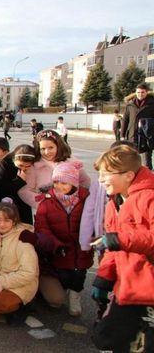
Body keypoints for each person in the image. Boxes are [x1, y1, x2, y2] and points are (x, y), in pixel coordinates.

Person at [91, 145, 154, 352]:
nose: (100, 180)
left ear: (128, 175)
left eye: (105, 174)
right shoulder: (114, 202)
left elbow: (118, 240)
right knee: (105, 337)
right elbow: (111, 246)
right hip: (128, 286)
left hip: (149, 288)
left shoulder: (149, 198)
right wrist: (104, 278)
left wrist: (119, 239)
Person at [33, 162, 91, 317]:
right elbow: (42, 227)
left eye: (64, 182)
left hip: (80, 247)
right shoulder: (47, 202)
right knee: (64, 275)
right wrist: (56, 244)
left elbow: (93, 220)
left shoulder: (86, 199)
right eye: (56, 182)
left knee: (79, 274)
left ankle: (75, 295)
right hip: (59, 248)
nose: (59, 186)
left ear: (73, 183)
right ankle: (61, 289)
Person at [0, 200, 39, 326]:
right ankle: (5, 308)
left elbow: (29, 272)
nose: (2, 224)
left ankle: (23, 305)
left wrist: (1, 282)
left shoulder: (24, 237)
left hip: (20, 284)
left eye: (7, 220)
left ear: (14, 220)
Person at [19, 129, 91, 212]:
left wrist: (77, 200)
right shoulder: (34, 167)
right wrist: (43, 204)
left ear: (58, 146)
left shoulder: (71, 163)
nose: (47, 152)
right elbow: (24, 191)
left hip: (72, 211)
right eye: (43, 148)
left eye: (51, 147)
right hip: (46, 213)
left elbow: (85, 182)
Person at [121, 83, 154, 169]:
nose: (140, 94)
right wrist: (122, 135)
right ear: (135, 92)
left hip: (146, 137)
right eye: (138, 92)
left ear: (146, 92)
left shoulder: (152, 104)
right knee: (131, 160)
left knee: (147, 161)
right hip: (132, 135)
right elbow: (125, 120)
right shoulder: (130, 105)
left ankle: (148, 179)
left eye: (142, 92)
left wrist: (146, 123)